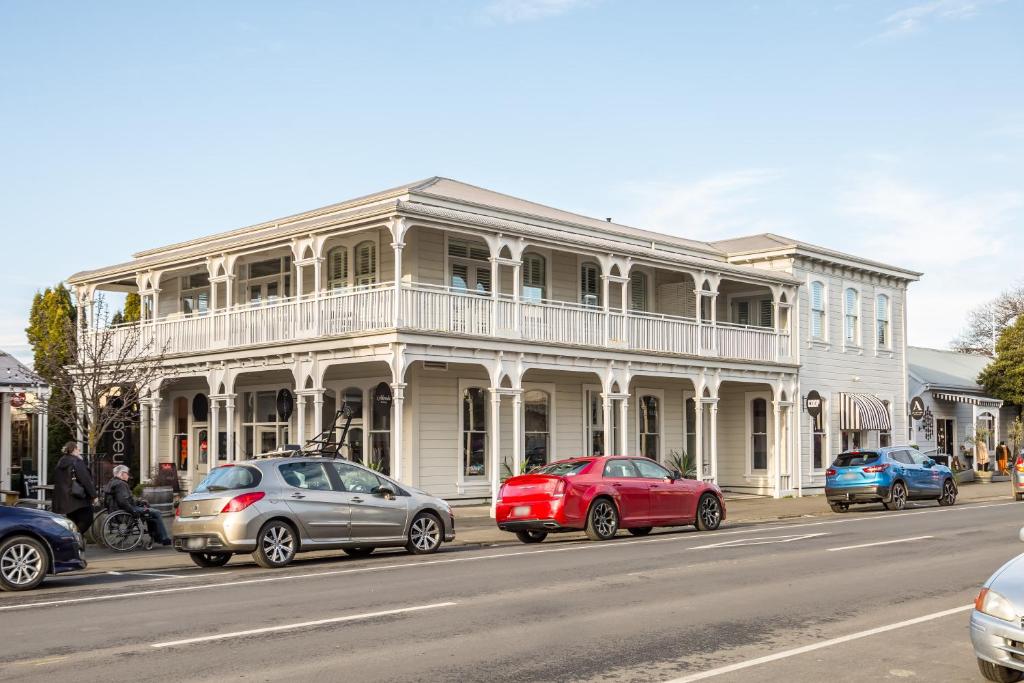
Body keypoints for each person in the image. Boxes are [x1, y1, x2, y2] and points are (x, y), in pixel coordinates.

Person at [103, 465, 171, 545]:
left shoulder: (112, 482)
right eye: (127, 473)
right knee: (157, 512)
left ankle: (157, 536)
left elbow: (126, 499)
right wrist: (133, 511)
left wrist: (139, 502)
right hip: (126, 511)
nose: (128, 476)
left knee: (150, 512)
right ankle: (163, 538)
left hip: (116, 510)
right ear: (122, 474)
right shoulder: (121, 484)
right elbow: (123, 502)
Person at [52, 441, 97, 534]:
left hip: (65, 499)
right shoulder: (76, 461)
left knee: (73, 521)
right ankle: (73, 538)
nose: (79, 450)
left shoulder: (60, 462)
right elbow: (85, 480)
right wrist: (94, 495)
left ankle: (73, 540)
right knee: (87, 519)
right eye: (78, 449)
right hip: (78, 499)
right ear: (73, 450)